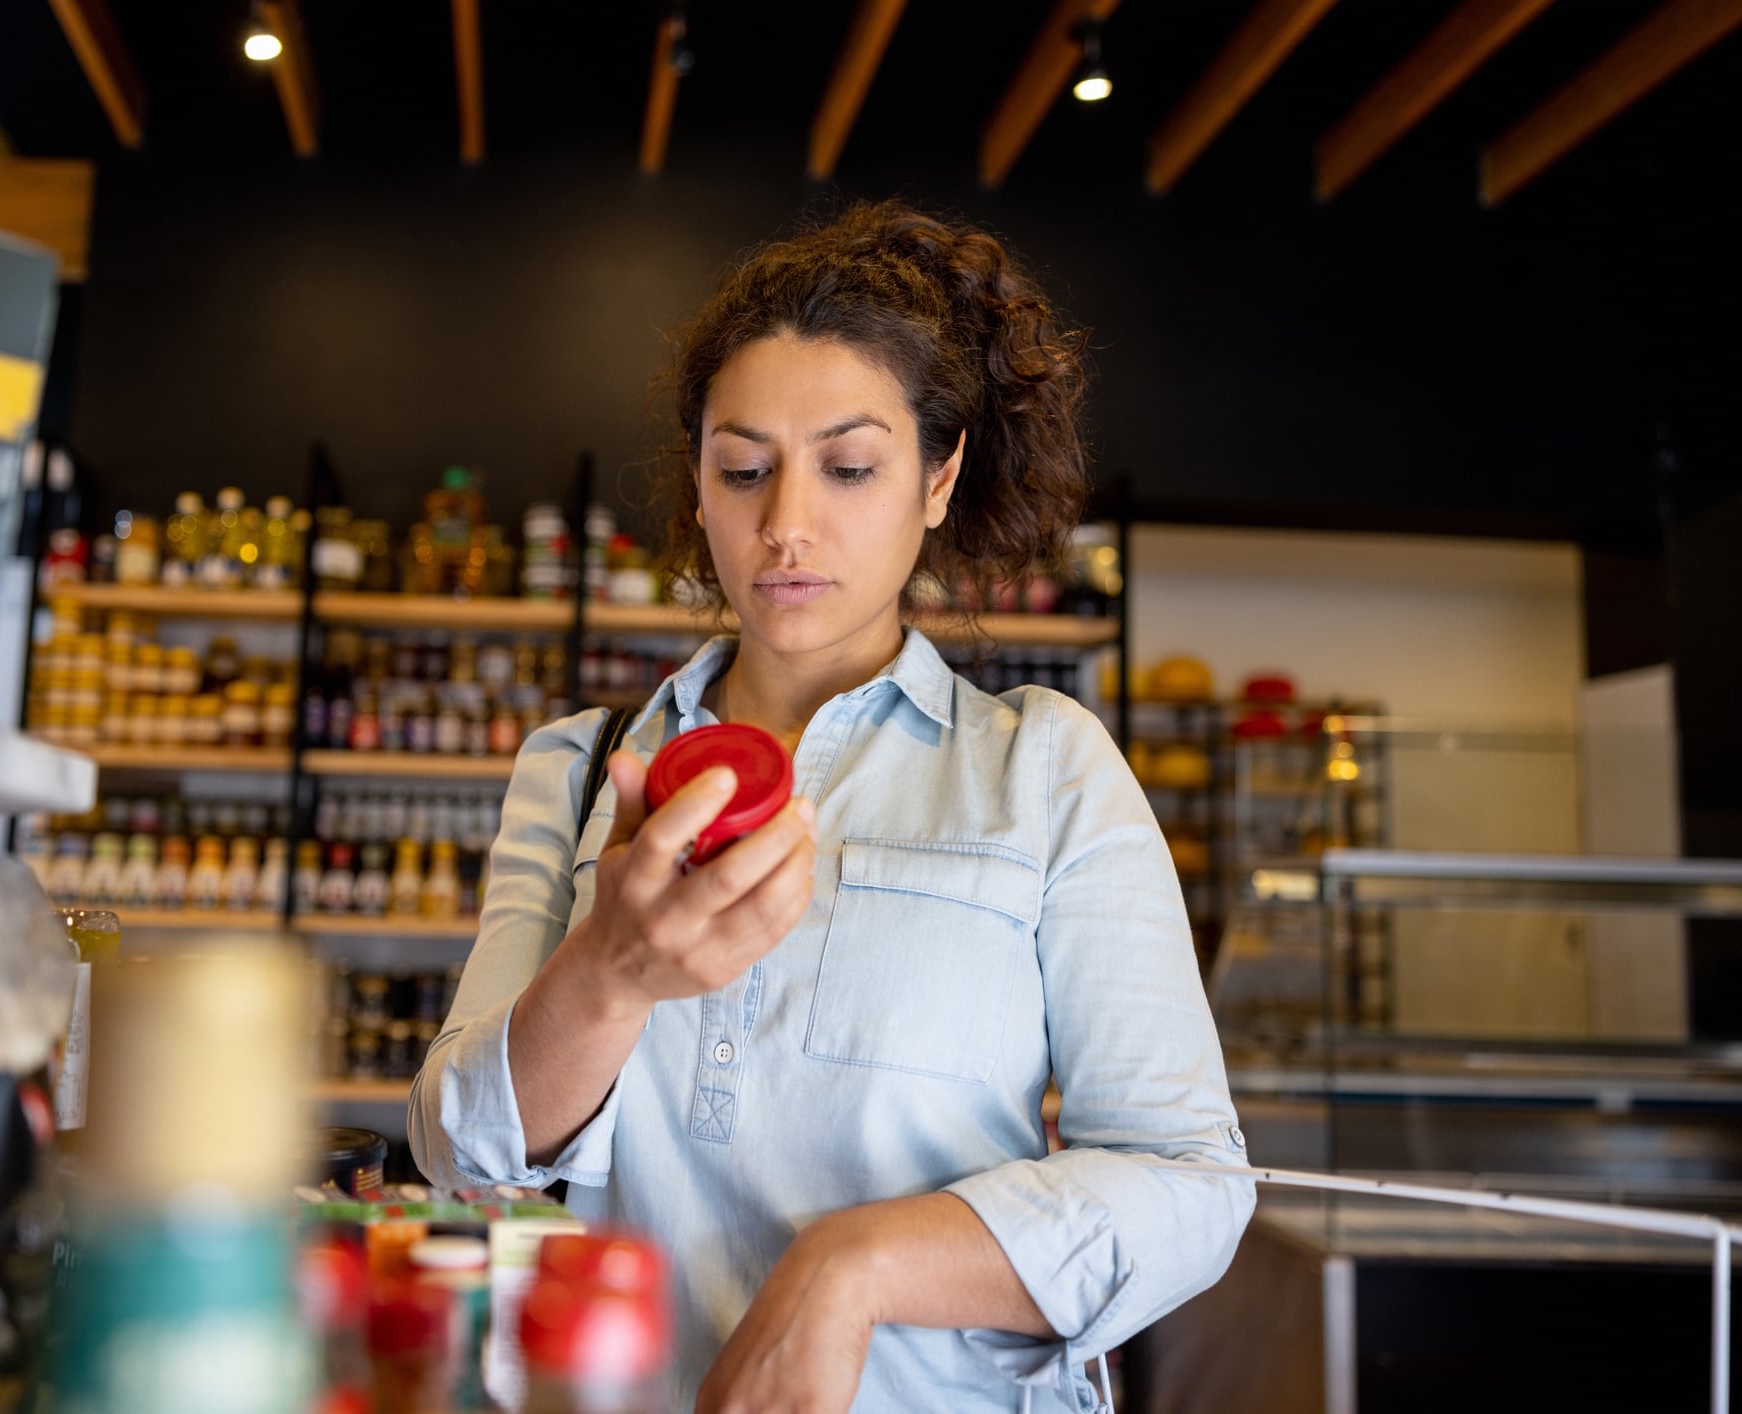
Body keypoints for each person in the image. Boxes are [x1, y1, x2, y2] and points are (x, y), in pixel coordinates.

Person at [409, 200, 1252, 1413]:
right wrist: (612, 970)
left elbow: (1187, 1186)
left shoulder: (1043, 770)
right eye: (741, 468)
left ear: (936, 476)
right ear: (697, 489)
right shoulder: (585, 768)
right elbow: (458, 1156)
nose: (785, 523)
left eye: (849, 467)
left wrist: (850, 1268)